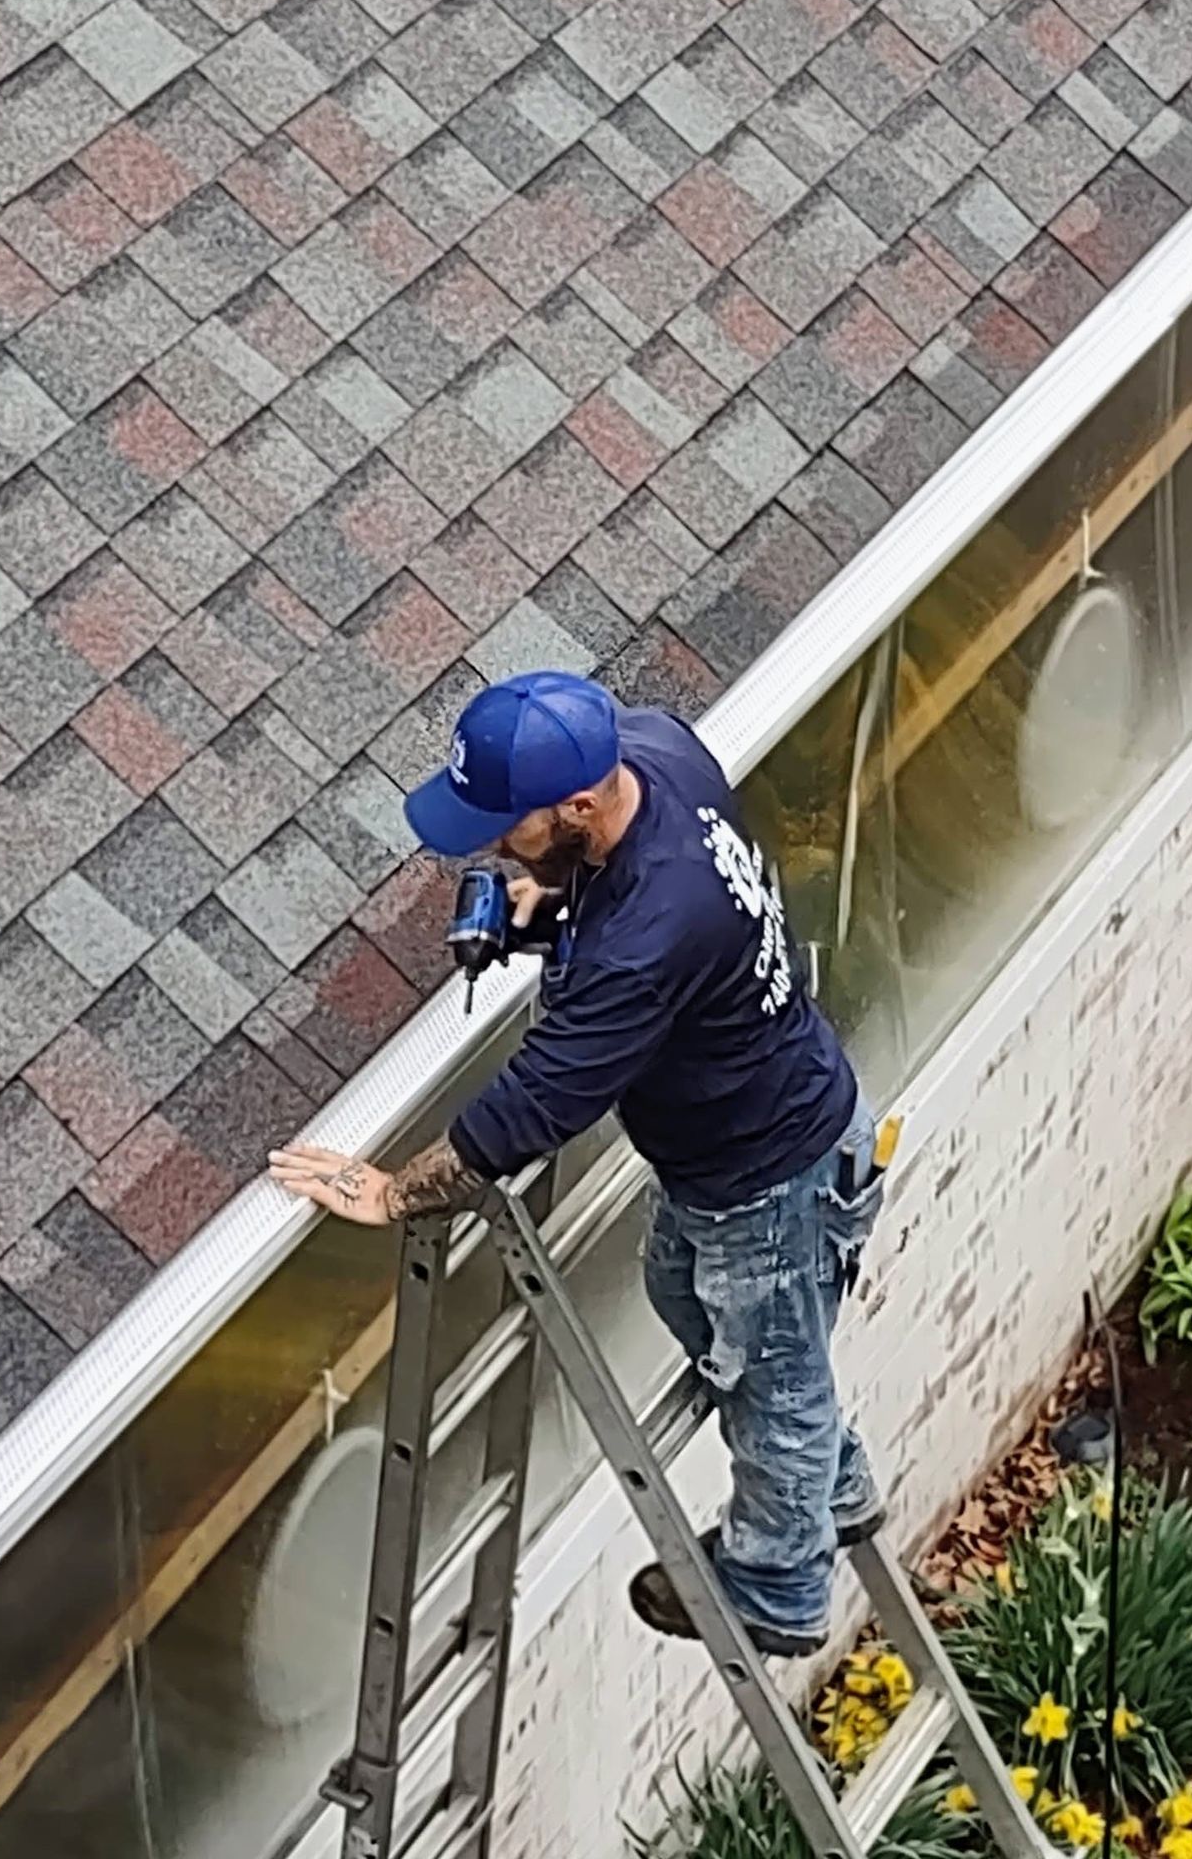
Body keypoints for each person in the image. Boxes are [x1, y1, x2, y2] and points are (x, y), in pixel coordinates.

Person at [269, 671, 886, 1659]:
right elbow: (616, 902)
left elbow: (539, 1101)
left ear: (579, 807)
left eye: (504, 825)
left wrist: (390, 1192)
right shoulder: (654, 750)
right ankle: (829, 1490)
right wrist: (542, 907)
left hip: (777, 1182)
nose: (484, 842)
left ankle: (778, 1587)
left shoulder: (647, 937)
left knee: (774, 1380)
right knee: (690, 1298)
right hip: (742, 1158)